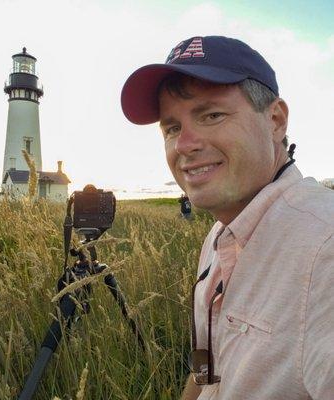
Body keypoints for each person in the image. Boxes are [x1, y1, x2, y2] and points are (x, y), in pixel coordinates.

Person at [120, 35, 334, 400]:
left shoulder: (323, 252)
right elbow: (206, 373)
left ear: (276, 120)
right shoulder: (221, 236)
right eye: (172, 128)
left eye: (212, 115)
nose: (184, 145)